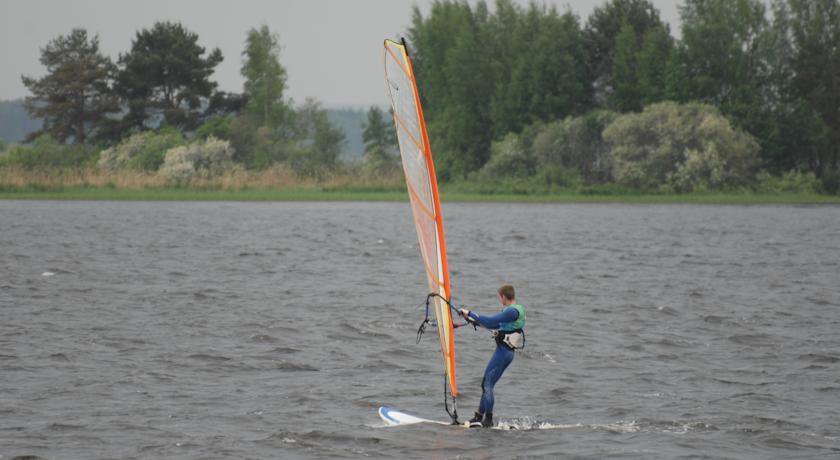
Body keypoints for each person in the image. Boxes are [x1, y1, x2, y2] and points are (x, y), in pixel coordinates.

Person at [459, 284, 526, 428]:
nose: (499, 299)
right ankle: (479, 417)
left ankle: (487, 420)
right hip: (507, 353)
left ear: (503, 297)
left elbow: (490, 321)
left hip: (503, 353)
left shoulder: (512, 312)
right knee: (488, 384)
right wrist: (472, 320)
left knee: (486, 384)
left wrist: (470, 312)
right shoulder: (516, 310)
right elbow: (495, 326)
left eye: (499, 297)